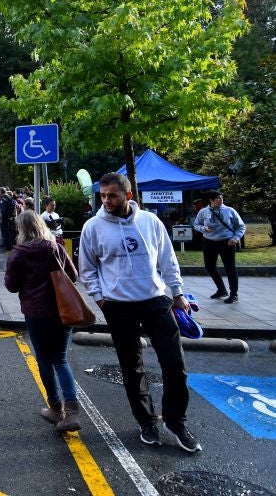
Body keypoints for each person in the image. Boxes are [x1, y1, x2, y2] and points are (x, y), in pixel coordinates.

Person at [80, 173, 200, 452]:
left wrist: (177, 293)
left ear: (128, 196)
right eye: (103, 196)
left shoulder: (150, 222)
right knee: (132, 367)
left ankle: (176, 422)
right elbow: (87, 268)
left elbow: (167, 259)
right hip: (117, 306)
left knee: (174, 364)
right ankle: (147, 422)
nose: (106, 201)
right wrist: (100, 300)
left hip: (155, 300)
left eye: (112, 195)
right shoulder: (93, 227)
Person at [4, 210, 80, 432]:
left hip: (37, 313)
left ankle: (55, 409)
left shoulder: (18, 254)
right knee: (61, 360)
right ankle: (72, 411)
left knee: (45, 360)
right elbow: (73, 275)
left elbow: (11, 286)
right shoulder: (55, 246)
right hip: (62, 311)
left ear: (22, 230)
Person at [193, 191, 245, 303]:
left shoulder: (230, 210)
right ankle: (221, 290)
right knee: (209, 266)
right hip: (209, 242)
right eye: (218, 198)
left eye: (221, 198)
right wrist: (204, 229)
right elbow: (196, 224)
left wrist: (235, 238)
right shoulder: (203, 211)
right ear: (211, 200)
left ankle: (234, 294)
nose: (221, 200)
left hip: (227, 242)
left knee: (230, 268)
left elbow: (241, 226)